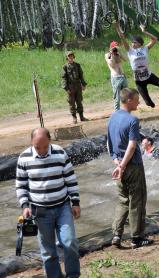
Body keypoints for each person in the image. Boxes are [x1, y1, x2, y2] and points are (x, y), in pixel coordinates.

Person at [16, 128, 81, 278]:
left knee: (69, 242)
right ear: (31, 142)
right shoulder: (24, 158)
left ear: (50, 141)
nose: (41, 151)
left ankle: (73, 275)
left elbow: (70, 179)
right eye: (37, 147)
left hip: (63, 207)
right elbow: (21, 185)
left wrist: (75, 202)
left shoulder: (60, 153)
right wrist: (25, 206)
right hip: (39, 211)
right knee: (48, 251)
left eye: (45, 147)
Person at [107, 87, 153, 248]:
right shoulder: (133, 120)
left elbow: (109, 143)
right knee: (137, 201)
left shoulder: (112, 118)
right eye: (136, 99)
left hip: (118, 164)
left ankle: (116, 236)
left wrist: (117, 163)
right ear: (128, 101)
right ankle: (136, 238)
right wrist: (124, 165)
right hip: (132, 166)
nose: (139, 102)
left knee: (123, 200)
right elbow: (132, 145)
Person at [114, 22, 159, 108]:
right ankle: (150, 103)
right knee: (148, 103)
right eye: (132, 42)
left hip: (149, 76)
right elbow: (122, 38)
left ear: (140, 43)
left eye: (134, 42)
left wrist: (144, 31)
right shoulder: (130, 50)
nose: (132, 43)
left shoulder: (145, 49)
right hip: (139, 81)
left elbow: (154, 39)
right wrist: (117, 28)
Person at [61, 51, 89, 124]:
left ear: (73, 57)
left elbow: (81, 75)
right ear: (67, 58)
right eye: (69, 56)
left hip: (78, 85)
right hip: (70, 87)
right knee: (71, 103)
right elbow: (64, 78)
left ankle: (81, 117)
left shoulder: (77, 65)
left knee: (79, 101)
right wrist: (66, 88)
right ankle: (74, 118)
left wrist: (83, 84)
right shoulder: (65, 67)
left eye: (72, 56)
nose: (71, 57)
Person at [105, 40, 128, 111]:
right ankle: (117, 112)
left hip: (123, 77)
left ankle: (127, 110)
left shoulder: (118, 54)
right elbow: (112, 64)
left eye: (116, 47)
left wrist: (120, 52)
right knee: (117, 98)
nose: (115, 49)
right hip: (115, 78)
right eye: (114, 48)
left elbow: (126, 59)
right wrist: (112, 54)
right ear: (110, 48)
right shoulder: (107, 55)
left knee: (126, 95)